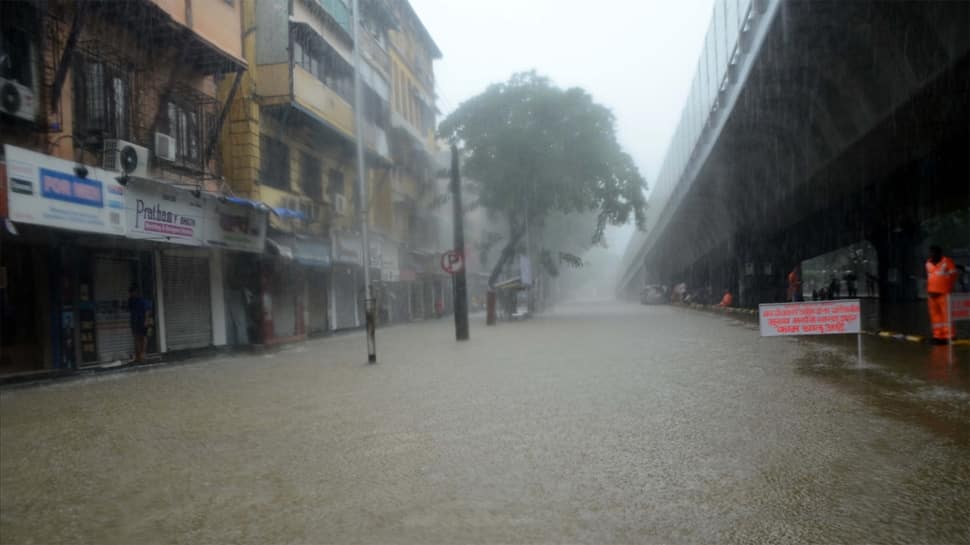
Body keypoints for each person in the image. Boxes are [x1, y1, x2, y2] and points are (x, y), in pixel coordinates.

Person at [925, 245, 957, 345]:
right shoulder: (927, 263)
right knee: (935, 317)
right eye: (931, 252)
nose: (932, 254)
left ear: (939, 253)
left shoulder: (947, 261)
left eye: (934, 252)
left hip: (944, 293)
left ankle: (949, 336)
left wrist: (949, 288)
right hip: (932, 294)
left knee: (946, 316)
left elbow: (953, 275)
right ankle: (938, 336)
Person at [127, 284, 148, 363]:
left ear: (136, 292)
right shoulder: (130, 300)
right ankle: (138, 356)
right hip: (134, 321)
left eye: (132, 292)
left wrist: (146, 320)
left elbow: (147, 311)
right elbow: (130, 310)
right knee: (136, 338)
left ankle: (142, 354)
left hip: (141, 320)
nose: (131, 294)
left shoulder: (142, 300)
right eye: (130, 293)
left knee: (143, 337)